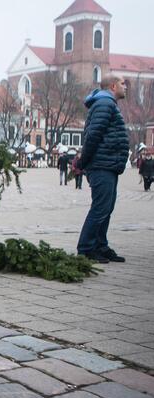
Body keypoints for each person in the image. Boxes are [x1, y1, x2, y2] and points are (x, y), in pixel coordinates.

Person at [76, 74, 129, 263]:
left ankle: (100, 245)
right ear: (113, 86)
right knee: (100, 208)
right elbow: (93, 135)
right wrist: (83, 162)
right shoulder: (105, 104)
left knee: (106, 207)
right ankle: (86, 248)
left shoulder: (108, 104)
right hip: (101, 164)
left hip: (108, 164)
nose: (126, 87)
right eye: (123, 84)